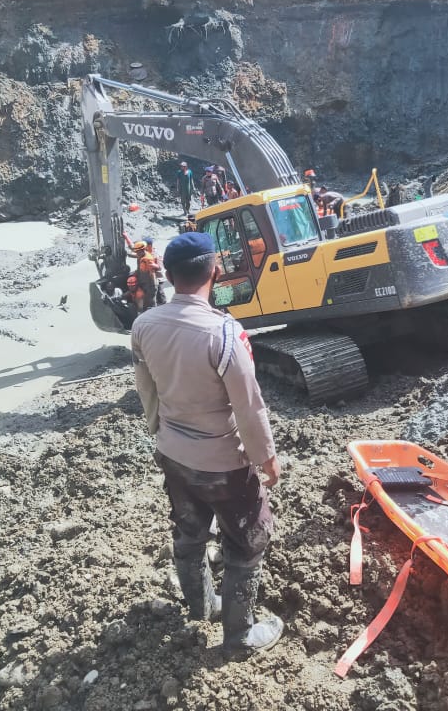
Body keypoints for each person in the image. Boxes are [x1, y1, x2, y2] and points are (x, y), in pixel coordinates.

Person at [131, 232, 284, 655]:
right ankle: (238, 638)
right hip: (224, 466)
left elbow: (147, 389)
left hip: (174, 455)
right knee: (247, 541)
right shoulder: (224, 334)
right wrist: (266, 460)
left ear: (167, 274)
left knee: (190, 531)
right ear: (216, 271)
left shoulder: (144, 326)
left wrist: (158, 430)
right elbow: (250, 408)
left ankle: (201, 607)